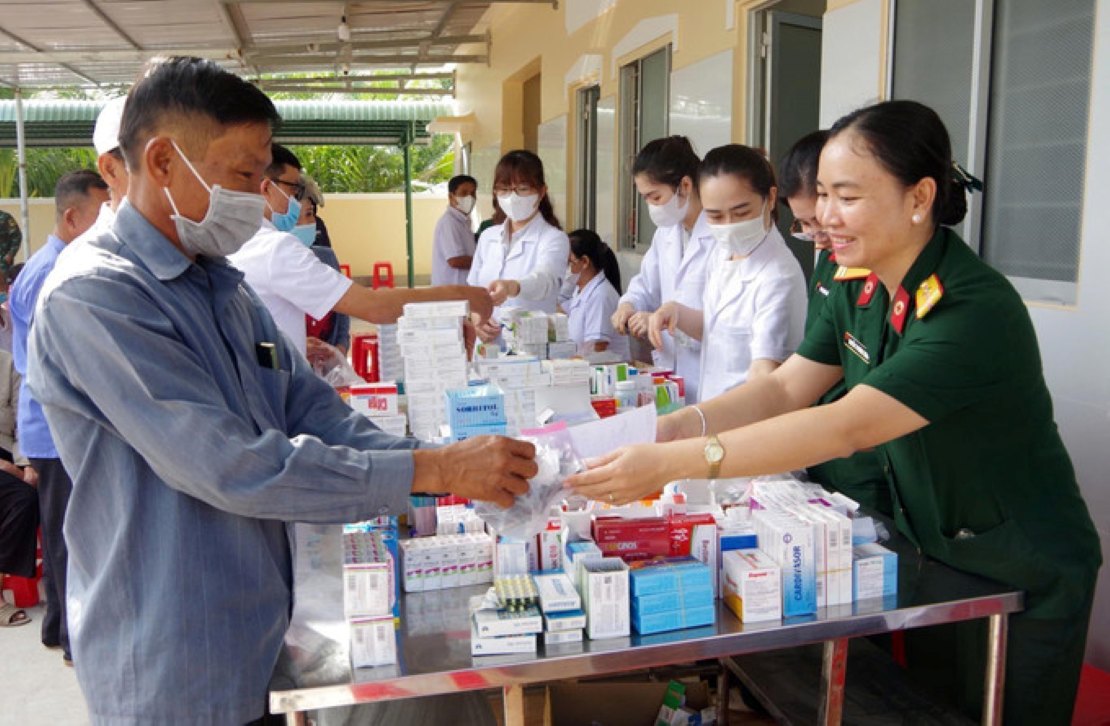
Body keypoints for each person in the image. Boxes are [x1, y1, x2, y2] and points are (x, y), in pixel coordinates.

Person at [26, 57, 537, 725]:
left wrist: (439, 466)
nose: (262, 197)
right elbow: (230, 464)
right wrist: (431, 469)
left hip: (259, 624)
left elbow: (308, 407)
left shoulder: (221, 282)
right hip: (171, 652)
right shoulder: (96, 298)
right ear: (161, 162)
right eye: (243, 176)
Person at [567, 100, 1101, 726]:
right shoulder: (857, 282)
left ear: (919, 197)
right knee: (933, 711)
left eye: (845, 196)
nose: (823, 217)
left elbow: (846, 425)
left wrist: (675, 463)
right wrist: (673, 428)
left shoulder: (972, 309)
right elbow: (786, 389)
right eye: (821, 194)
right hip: (940, 554)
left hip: (1021, 565)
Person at [229, 143, 493, 358]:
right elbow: (375, 307)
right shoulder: (275, 248)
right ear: (266, 188)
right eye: (294, 189)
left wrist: (294, 343)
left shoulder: (235, 243)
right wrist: (464, 295)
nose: (298, 200)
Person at [11, 169, 109, 665]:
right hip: (54, 426)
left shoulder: (58, 263)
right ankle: (74, 638)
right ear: (72, 218)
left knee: (62, 528)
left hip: (53, 422)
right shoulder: (52, 272)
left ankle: (55, 628)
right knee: (71, 533)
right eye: (101, 216)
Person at [780, 130, 890, 515]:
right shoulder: (834, 263)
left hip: (865, 459)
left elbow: (859, 423)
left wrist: (702, 454)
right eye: (807, 224)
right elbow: (795, 379)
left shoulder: (954, 296)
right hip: (825, 447)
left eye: (836, 206)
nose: (819, 234)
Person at [649, 144, 807, 402]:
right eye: (715, 216)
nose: (729, 226)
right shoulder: (722, 253)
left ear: (769, 198)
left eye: (741, 212)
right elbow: (717, 330)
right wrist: (676, 312)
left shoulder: (778, 276)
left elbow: (764, 374)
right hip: (714, 412)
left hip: (748, 424)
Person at [612, 136, 713, 401]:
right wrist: (629, 305)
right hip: (670, 370)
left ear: (685, 185)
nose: (651, 207)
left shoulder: (717, 235)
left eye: (655, 196)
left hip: (707, 369)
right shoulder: (667, 233)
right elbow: (645, 284)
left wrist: (664, 318)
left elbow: (721, 314)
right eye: (645, 198)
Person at [468, 150, 570, 343]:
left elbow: (545, 280)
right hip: (487, 346)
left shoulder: (553, 239)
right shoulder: (488, 237)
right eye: (504, 189)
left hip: (530, 349)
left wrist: (512, 286)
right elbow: (473, 287)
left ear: (541, 192)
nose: (513, 198)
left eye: (522, 189)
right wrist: (476, 317)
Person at [296, 179, 351, 356]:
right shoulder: (268, 265)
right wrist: (297, 346)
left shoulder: (325, 257)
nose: (309, 222)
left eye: (310, 214)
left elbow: (344, 309)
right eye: (299, 217)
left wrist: (340, 348)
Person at [564, 229, 629, 360]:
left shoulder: (600, 296)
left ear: (584, 262)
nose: (564, 268)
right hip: (581, 370)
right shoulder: (581, 289)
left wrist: (561, 364)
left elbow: (597, 349)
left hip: (605, 373)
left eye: (568, 262)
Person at [431, 174, 477, 285]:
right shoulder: (449, 222)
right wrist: (484, 261)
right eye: (464, 193)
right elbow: (455, 260)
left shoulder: (463, 222)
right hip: (450, 290)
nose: (469, 198)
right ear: (451, 197)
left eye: (472, 193)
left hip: (460, 289)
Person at [0, 211, 20, 282]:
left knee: (3, 286)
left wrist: (10, 254)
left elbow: (17, 236)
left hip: (2, 263)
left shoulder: (5, 218)